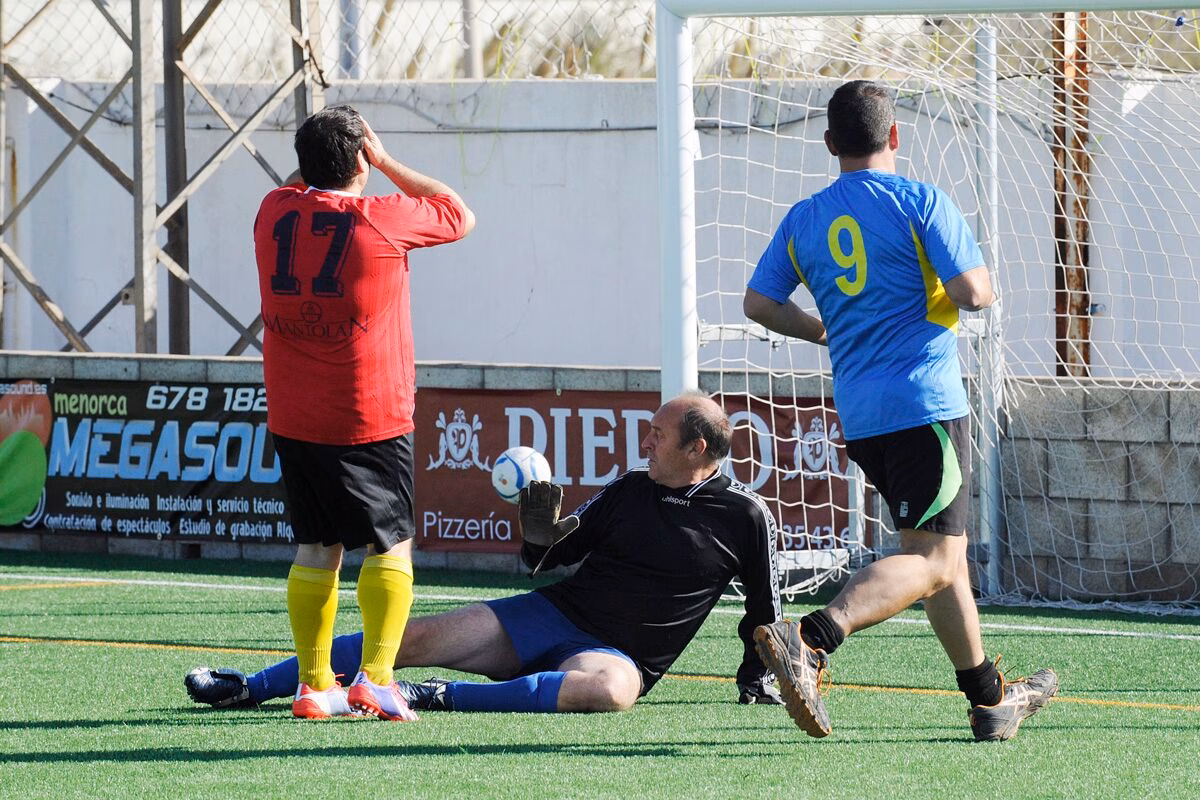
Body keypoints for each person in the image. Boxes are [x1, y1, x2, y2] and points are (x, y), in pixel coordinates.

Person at [742, 80, 1057, 742]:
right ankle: (811, 638)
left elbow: (759, 303)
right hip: (926, 405)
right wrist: (978, 288)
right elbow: (975, 294)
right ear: (895, 136)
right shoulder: (920, 200)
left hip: (862, 414)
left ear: (830, 144)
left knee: (938, 558)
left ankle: (988, 698)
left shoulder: (805, 217)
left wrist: (820, 330)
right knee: (937, 561)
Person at [186, 392, 784, 713]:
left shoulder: (745, 516)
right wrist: (538, 529)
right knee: (408, 638)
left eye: (657, 434)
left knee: (609, 694)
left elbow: (765, 609)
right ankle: (252, 686)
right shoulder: (630, 488)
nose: (646, 441)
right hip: (553, 614)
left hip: (620, 655)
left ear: (696, 447)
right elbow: (548, 561)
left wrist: (758, 677)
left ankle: (430, 696)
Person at [251, 105, 475, 721]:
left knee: (316, 546)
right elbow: (459, 211)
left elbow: (303, 185)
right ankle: (375, 678)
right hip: (366, 412)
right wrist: (384, 161)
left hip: (294, 412)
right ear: (361, 160)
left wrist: (332, 158)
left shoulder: (272, 211)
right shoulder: (379, 219)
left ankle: (314, 685)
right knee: (391, 547)